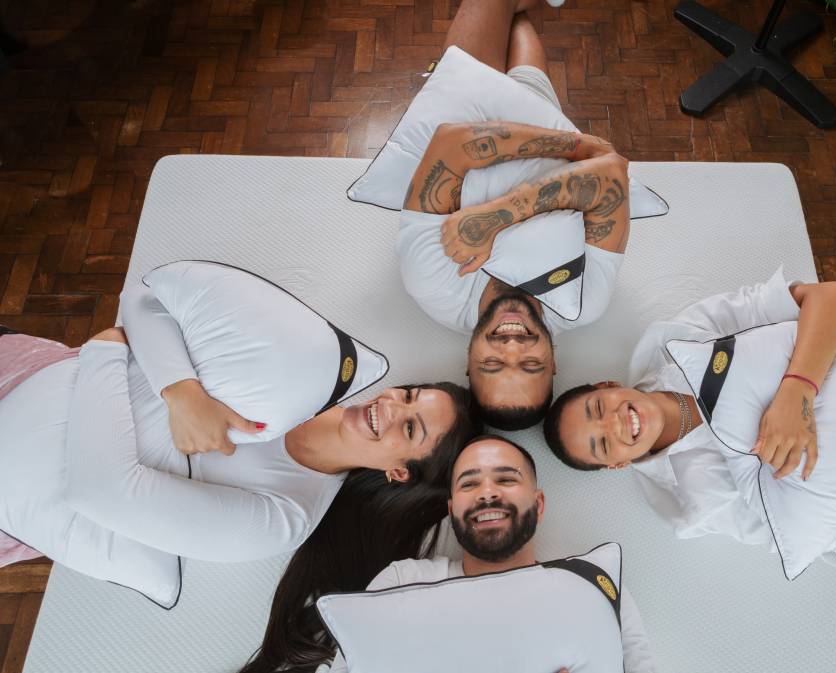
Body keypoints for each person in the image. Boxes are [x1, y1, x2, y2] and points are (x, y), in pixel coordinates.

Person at [0, 269, 480, 571]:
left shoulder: (282, 517)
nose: (392, 407)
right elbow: (151, 298)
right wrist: (180, 392)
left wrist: (108, 348)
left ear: (398, 472)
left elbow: (100, 491)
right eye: (410, 395)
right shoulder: (310, 371)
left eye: (411, 428)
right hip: (28, 364)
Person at [543, 269, 836, 553]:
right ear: (618, 463)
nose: (615, 422)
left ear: (607, 386)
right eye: (602, 442)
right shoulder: (698, 498)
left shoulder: (676, 343)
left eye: (598, 407)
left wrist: (797, 390)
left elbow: (834, 296)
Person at [397, 0, 631, 431]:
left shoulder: (433, 286)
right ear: (554, 364)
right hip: (544, 125)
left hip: (466, 110)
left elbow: (449, 144)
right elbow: (613, 177)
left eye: (492, 365)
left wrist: (584, 156)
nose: (511, 346)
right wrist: (496, 216)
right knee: (519, 26)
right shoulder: (582, 303)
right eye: (529, 365)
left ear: (467, 362)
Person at [288, 435, 653, 673]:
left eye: (507, 479)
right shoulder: (405, 582)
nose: (487, 492)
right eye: (469, 483)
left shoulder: (595, 587)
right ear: (452, 509)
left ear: (538, 504)